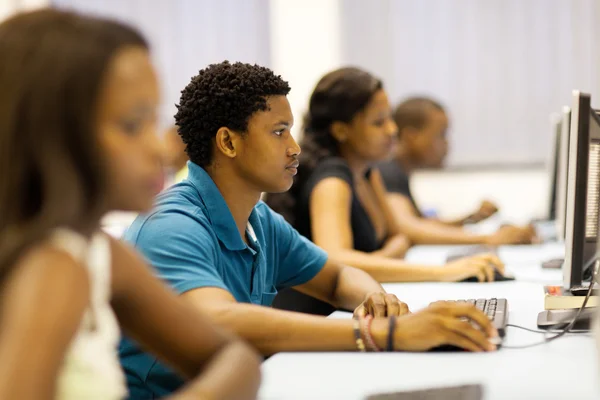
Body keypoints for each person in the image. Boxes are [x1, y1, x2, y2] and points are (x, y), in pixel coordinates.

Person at [119, 61, 501, 398]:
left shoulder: (258, 220)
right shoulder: (171, 224)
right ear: (228, 142)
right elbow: (221, 320)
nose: (295, 147)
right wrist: (383, 334)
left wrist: (375, 302)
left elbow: (337, 277)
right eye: (279, 132)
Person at [0, 9, 261, 400]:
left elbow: (233, 356)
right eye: (131, 125)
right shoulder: (54, 266)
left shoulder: (96, 252)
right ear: (53, 135)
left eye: (153, 120)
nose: (160, 146)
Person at [266, 67, 507, 315]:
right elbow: (338, 260)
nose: (393, 130)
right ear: (341, 130)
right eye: (379, 122)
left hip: (356, 305)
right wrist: (445, 271)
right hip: (323, 317)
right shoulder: (332, 179)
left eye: (390, 119)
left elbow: (400, 233)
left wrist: (390, 250)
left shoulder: (368, 172)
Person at [377, 97, 537, 245]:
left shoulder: (398, 171)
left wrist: (470, 219)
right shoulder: (388, 172)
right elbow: (408, 227)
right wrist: (489, 238)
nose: (447, 144)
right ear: (411, 137)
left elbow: (421, 223)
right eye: (441, 135)